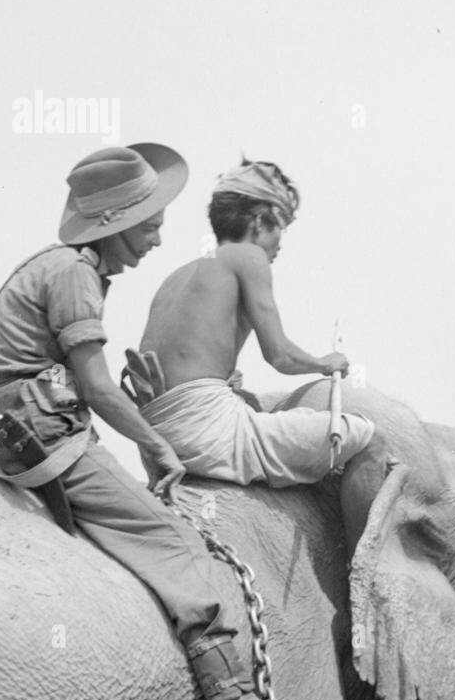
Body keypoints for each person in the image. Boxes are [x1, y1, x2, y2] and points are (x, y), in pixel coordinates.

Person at [0, 144, 335, 700]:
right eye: (152, 224)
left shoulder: (61, 269)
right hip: (45, 437)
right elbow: (95, 387)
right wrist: (156, 442)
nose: (159, 239)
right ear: (117, 223)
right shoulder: (75, 277)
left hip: (13, 427)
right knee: (172, 542)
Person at [135, 158, 375, 487]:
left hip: (154, 438)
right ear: (260, 221)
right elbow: (280, 355)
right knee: (366, 436)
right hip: (207, 432)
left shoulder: (176, 277)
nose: (281, 242)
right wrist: (325, 362)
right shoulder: (249, 257)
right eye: (281, 227)